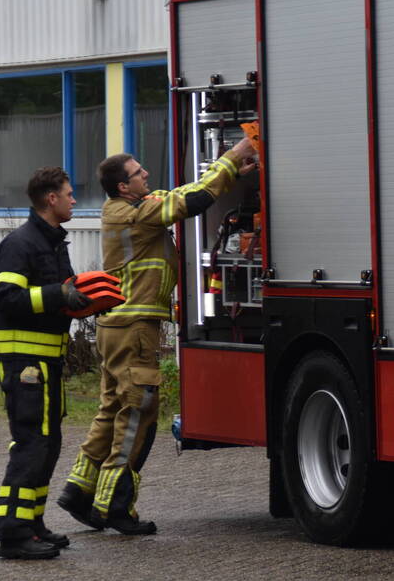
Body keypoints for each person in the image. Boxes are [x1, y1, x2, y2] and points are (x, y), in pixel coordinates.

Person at [57, 138, 258, 534]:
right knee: (138, 411)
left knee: (112, 409)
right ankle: (115, 504)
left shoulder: (127, 208)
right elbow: (190, 202)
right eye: (137, 173)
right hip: (133, 329)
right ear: (123, 186)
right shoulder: (134, 214)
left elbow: (180, 192)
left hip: (116, 327)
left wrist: (232, 171)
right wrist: (232, 158)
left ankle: (79, 490)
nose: (145, 174)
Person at [0, 166, 91, 560]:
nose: (74, 200)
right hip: (25, 364)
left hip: (47, 362)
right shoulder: (20, 244)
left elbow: (58, 295)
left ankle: (32, 522)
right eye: (69, 194)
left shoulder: (52, 243)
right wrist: (57, 295)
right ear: (51, 198)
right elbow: (8, 298)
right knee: (32, 443)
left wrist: (86, 300)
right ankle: (13, 533)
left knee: (48, 444)